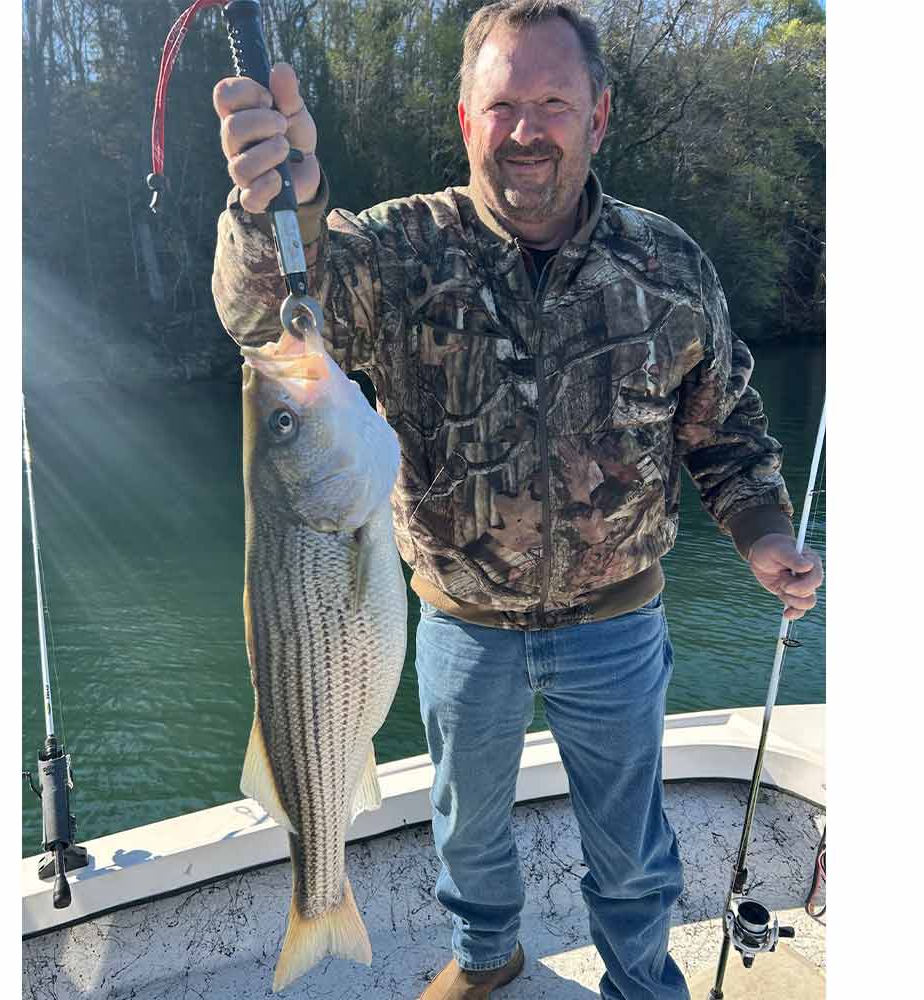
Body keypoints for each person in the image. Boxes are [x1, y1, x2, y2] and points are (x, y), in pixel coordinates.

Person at [210, 2, 824, 997]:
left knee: (630, 846)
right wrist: (271, 203)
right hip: (460, 620)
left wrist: (760, 532)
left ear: (599, 116)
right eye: (503, 105)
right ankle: (484, 958)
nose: (528, 129)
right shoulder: (400, 251)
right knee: (466, 826)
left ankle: (637, 979)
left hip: (616, 622)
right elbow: (266, 310)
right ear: (465, 119)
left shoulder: (665, 265)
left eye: (553, 102)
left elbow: (724, 428)